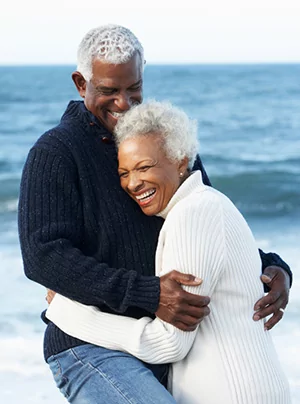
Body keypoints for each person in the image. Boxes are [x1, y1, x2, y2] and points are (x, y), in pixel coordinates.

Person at [18, 24, 292, 403]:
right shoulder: (56, 152)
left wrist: (272, 269)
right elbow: (43, 256)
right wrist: (147, 292)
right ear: (82, 84)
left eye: (134, 89)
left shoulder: (163, 141)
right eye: (109, 91)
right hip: (90, 348)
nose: (123, 103)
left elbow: (205, 221)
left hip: (165, 347)